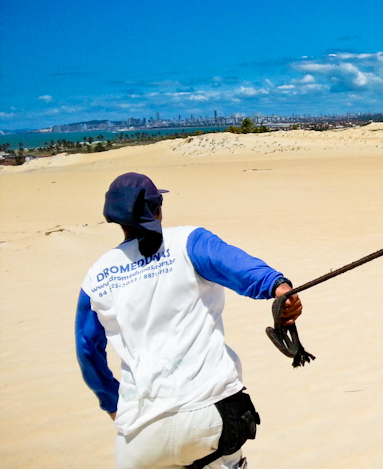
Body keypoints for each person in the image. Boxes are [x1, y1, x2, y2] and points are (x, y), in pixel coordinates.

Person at [75, 172, 303, 468]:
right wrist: (278, 286)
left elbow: (87, 350)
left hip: (141, 431)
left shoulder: (98, 275)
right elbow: (236, 265)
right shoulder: (188, 241)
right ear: (159, 209)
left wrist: (110, 402)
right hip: (212, 414)